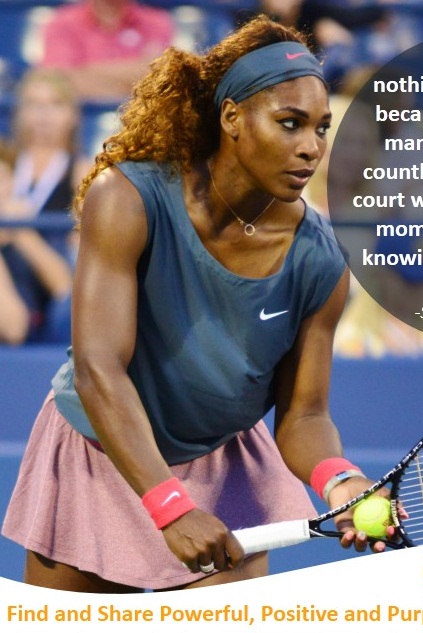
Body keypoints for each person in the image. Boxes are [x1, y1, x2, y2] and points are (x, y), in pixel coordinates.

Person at [2, 15, 391, 593]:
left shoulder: (322, 260)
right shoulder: (127, 197)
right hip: (101, 447)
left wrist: (340, 480)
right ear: (231, 117)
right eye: (289, 123)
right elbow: (98, 369)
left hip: (221, 467)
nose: (311, 147)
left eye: (321, 128)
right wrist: (168, 504)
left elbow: (304, 416)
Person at [0, 68, 84, 343]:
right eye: (34, 104)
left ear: (73, 115)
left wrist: (20, 231)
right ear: (19, 113)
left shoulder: (84, 173)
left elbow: (68, 280)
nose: (44, 115)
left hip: (55, 299)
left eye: (55, 104)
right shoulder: (5, 165)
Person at [40, 0, 174, 102]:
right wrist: (134, 72)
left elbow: (158, 80)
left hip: (142, 120)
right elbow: (58, 82)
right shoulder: (61, 23)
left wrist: (83, 71)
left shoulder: (158, 23)